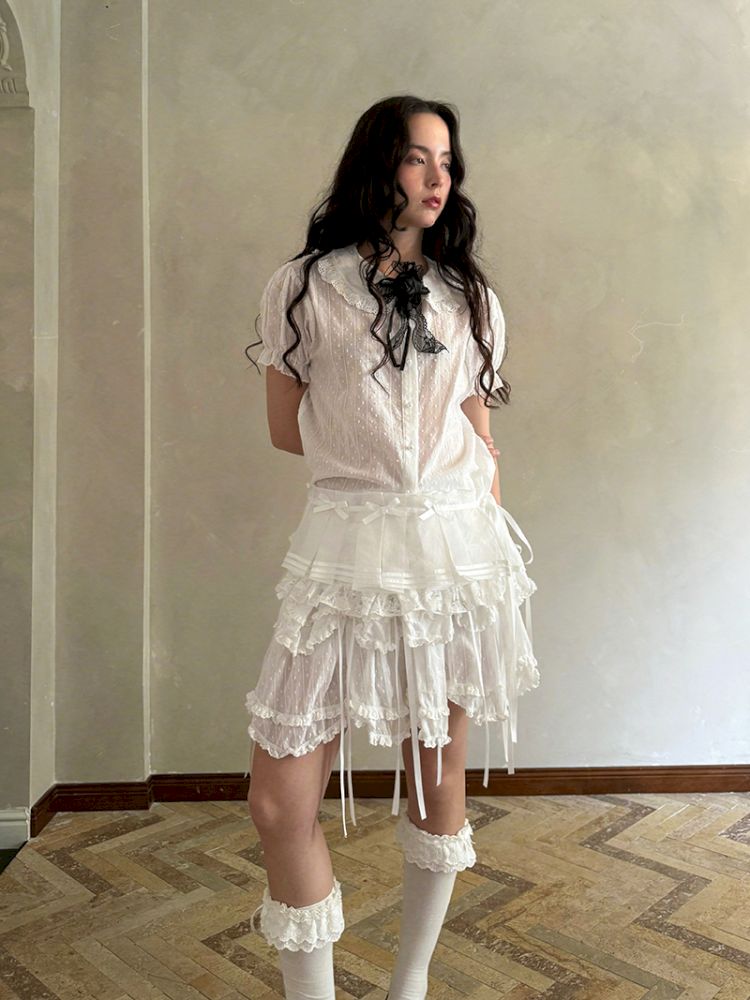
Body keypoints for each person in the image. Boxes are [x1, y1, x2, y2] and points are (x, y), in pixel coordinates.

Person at [243, 95, 539, 1000]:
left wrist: (485, 561)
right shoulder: (303, 288)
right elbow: (287, 433)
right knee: (278, 802)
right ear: (377, 166)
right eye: (417, 157)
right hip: (345, 551)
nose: (438, 177)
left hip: (453, 556)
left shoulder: (470, 297)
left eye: (447, 160)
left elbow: (479, 435)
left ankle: (409, 985)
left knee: (437, 779)